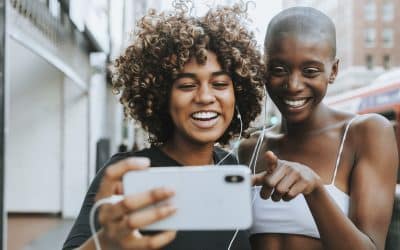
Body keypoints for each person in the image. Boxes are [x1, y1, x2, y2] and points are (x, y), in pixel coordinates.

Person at [63, 2, 264, 250]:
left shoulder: (232, 169)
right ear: (162, 97)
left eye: (220, 84)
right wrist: (105, 243)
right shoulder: (126, 173)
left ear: (238, 94)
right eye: (187, 85)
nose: (204, 97)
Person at [239, 7, 399, 250]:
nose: (293, 85)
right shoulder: (249, 148)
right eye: (279, 69)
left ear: (333, 71)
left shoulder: (367, 133)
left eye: (310, 71)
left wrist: (314, 190)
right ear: (264, 69)